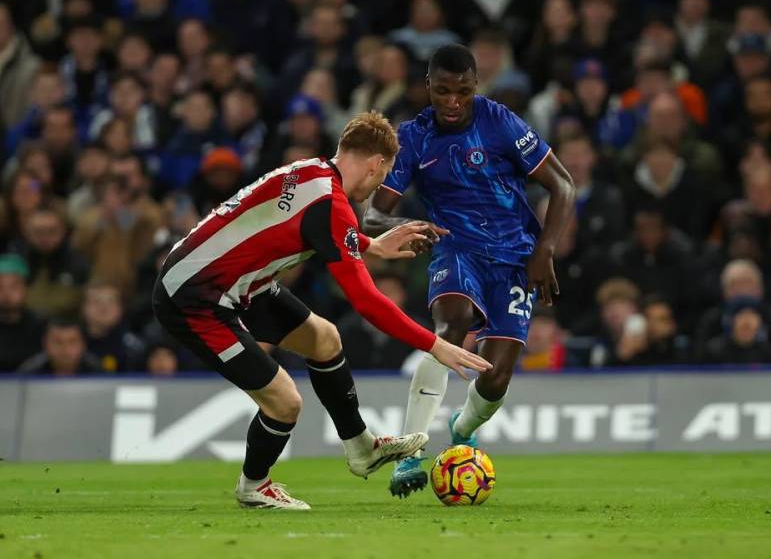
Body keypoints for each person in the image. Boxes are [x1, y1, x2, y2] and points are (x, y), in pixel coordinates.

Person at [152, 111, 490, 510]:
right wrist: (434, 344)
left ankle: (361, 448)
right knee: (284, 401)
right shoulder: (331, 205)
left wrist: (372, 244)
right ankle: (253, 486)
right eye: (384, 175)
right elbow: (365, 300)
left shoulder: (311, 171)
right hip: (194, 296)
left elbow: (311, 225)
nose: (380, 184)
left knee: (325, 338)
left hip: (237, 282)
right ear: (376, 162)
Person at [363, 44, 575, 497]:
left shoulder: (499, 121)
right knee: (451, 323)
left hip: (516, 257)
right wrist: (409, 225)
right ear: (428, 88)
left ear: (476, 86)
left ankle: (462, 430)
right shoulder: (414, 138)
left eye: (462, 91)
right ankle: (410, 454)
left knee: (495, 376)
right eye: (442, 91)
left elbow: (563, 184)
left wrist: (545, 248)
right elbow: (374, 215)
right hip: (456, 247)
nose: (453, 101)